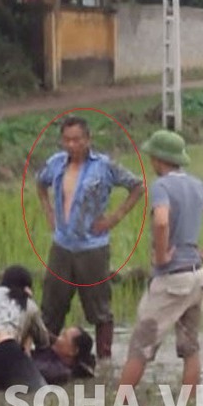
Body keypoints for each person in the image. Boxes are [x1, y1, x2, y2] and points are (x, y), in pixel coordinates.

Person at [118, 130, 203, 391]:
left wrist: (160, 255)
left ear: (158, 159)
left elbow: (161, 220)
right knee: (190, 348)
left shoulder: (161, 186)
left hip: (172, 280)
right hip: (197, 277)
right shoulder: (197, 185)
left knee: (139, 347)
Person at [36, 115, 144, 359]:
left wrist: (114, 218)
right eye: (66, 140)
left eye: (76, 140)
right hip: (62, 245)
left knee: (99, 309)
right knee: (51, 307)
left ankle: (104, 359)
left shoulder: (104, 166)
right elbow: (40, 184)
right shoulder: (56, 163)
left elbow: (137, 186)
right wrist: (49, 211)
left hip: (92, 247)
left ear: (87, 140)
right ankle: (46, 357)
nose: (71, 145)